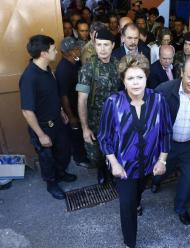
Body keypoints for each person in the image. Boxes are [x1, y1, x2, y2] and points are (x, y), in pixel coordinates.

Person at [98, 53, 172, 248]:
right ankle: (130, 243)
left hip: (149, 163)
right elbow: (104, 136)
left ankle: (138, 201)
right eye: (130, 78)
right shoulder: (113, 102)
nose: (135, 82)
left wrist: (162, 159)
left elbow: (166, 131)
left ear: (146, 77)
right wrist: (113, 163)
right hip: (123, 167)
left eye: (140, 77)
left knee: (139, 192)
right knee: (127, 205)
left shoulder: (158, 100)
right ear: (123, 80)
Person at [151, 55, 190, 225]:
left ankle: (180, 208)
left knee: (187, 177)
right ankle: (155, 183)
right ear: (182, 72)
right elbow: (151, 120)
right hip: (166, 145)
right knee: (161, 172)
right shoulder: (164, 90)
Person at [20, 35, 77, 200]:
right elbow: (27, 111)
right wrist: (41, 135)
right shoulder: (30, 77)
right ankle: (51, 184)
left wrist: (61, 111)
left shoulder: (48, 69)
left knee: (63, 151)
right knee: (46, 158)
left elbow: (53, 95)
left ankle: (60, 173)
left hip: (57, 121)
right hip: (43, 127)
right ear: (44, 53)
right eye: (53, 49)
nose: (56, 51)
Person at [77, 29, 121, 184]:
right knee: (96, 155)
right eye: (99, 44)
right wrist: (85, 127)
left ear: (113, 45)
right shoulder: (88, 68)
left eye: (106, 45)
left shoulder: (119, 65)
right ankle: (102, 170)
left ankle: (113, 171)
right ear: (94, 46)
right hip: (96, 120)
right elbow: (82, 99)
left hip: (116, 119)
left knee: (115, 148)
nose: (102, 49)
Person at [56, 37, 91, 168]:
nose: (79, 49)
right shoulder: (63, 70)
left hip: (79, 106)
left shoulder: (74, 62)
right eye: (77, 48)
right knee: (76, 135)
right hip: (72, 109)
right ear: (72, 51)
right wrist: (71, 116)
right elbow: (63, 96)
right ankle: (79, 158)